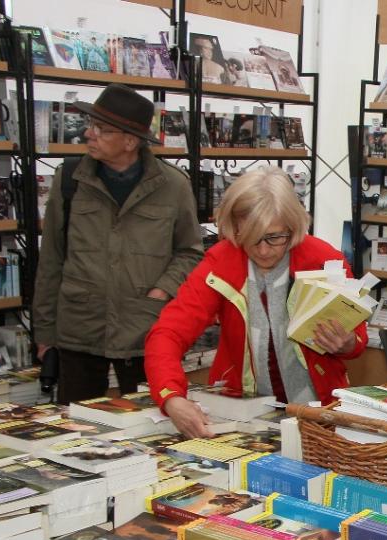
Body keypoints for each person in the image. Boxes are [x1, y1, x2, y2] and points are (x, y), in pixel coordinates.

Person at [144, 167, 367, 439]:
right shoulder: (220, 263)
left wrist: (346, 344)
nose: (262, 250)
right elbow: (167, 333)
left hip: (320, 412)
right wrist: (171, 397)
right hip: (242, 413)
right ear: (234, 228)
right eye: (250, 237)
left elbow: (357, 338)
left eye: (274, 237)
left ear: (293, 225)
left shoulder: (323, 259)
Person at [33, 83, 203, 406]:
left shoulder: (174, 186)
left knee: (150, 428)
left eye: (100, 128)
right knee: (76, 433)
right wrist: (44, 333)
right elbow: (51, 257)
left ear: (130, 141)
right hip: (79, 331)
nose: (88, 134)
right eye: (90, 124)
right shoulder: (68, 180)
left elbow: (190, 252)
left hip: (145, 331)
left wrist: (163, 290)